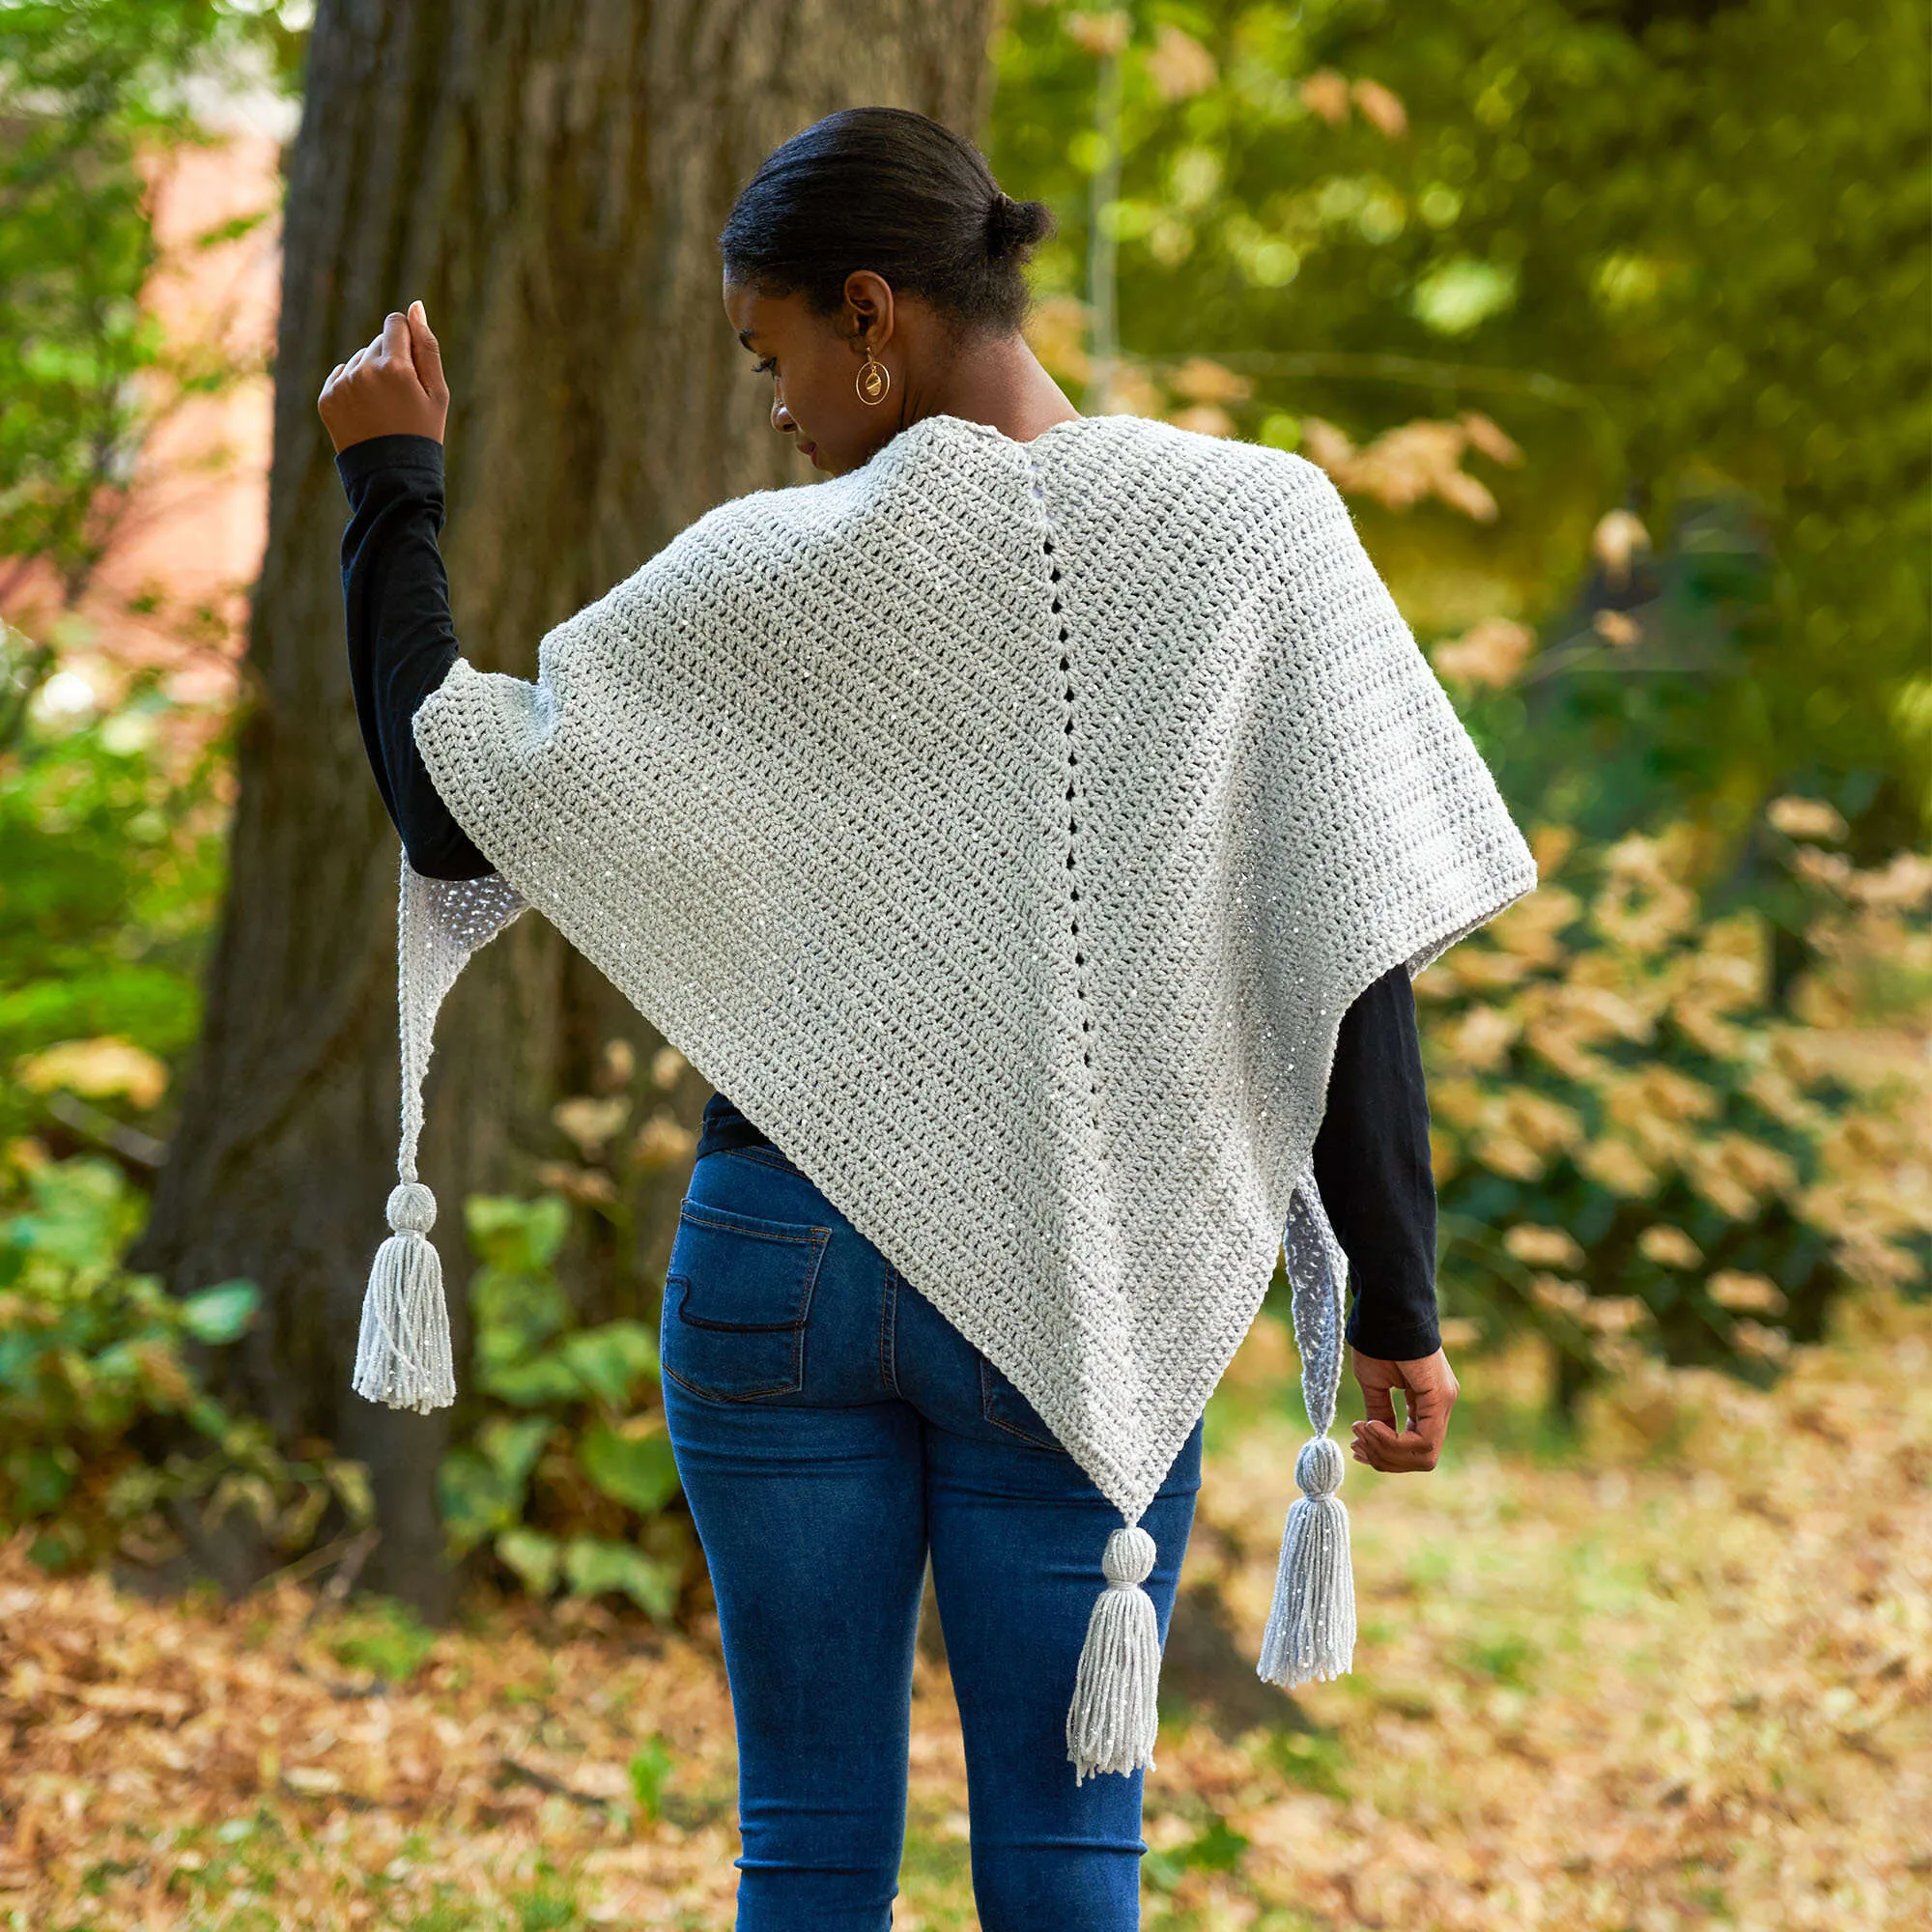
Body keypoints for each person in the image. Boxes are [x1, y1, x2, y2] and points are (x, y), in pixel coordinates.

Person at [318, 106, 1526, 1932]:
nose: (779, 406)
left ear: (867, 311)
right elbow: (1346, 931)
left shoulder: (772, 577)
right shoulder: (1254, 528)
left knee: (805, 1843)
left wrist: (393, 487)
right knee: (1065, 1852)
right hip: (1089, 1256)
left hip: (775, 1269)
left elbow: (447, 784)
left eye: (775, 353)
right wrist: (1395, 1296)